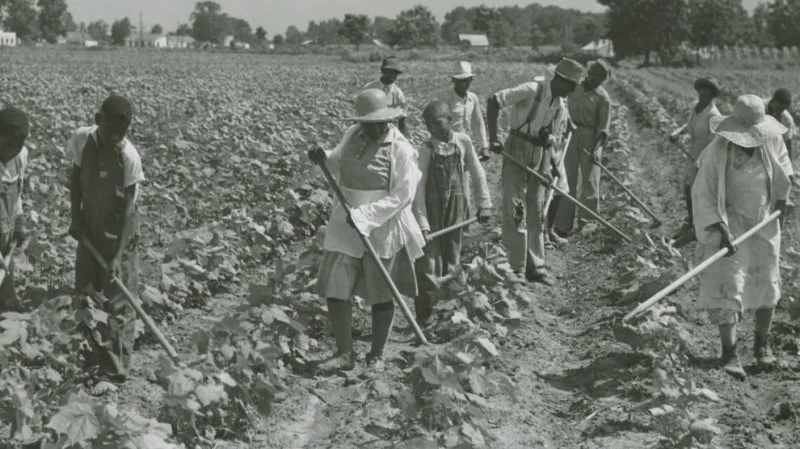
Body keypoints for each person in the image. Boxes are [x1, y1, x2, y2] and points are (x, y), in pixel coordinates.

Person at [309, 88, 425, 373]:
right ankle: (344, 353)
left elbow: (403, 195)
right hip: (346, 225)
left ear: (388, 120)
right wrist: (322, 156)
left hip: (382, 226)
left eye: (377, 123)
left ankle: (376, 354)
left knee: (381, 293)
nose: (372, 128)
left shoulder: (401, 149)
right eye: (366, 123)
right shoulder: (352, 134)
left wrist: (365, 216)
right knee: (337, 289)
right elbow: (336, 162)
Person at [692, 94, 793, 380]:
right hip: (730, 224)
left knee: (766, 283)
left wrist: (783, 200)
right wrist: (719, 227)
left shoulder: (771, 141)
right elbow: (703, 192)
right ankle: (729, 352)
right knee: (729, 284)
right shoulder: (717, 151)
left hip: (763, 222)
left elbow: (784, 168)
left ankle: (762, 346)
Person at [67, 95, 145, 382]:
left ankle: (114, 370)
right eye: (110, 131)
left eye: (121, 133)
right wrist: (76, 217)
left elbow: (127, 209)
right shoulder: (81, 139)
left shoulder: (129, 156)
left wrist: (116, 256)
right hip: (90, 228)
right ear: (98, 120)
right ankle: (89, 355)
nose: (115, 138)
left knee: (117, 302)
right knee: (86, 290)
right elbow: (75, 179)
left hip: (119, 234)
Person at [486, 58, 584, 286]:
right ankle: (516, 267)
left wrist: (547, 168)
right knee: (515, 208)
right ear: (560, 79)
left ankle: (536, 267)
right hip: (517, 148)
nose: (571, 91)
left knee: (537, 210)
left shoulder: (560, 107)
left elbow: (549, 140)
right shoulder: (531, 90)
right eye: (570, 85)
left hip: (540, 155)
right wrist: (493, 138)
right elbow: (494, 101)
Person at [412, 100, 492, 323]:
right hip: (432, 213)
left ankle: (449, 314)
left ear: (450, 120)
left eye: (437, 123)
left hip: (456, 209)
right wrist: (422, 224)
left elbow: (477, 172)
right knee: (429, 264)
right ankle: (425, 315)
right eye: (429, 124)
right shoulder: (426, 150)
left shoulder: (462, 141)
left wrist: (484, 204)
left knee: (453, 261)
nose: (433, 128)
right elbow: (418, 189)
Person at [551, 59, 612, 239]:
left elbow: (604, 128)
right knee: (566, 178)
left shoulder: (603, 97)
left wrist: (596, 149)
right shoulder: (574, 87)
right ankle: (562, 225)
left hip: (591, 138)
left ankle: (588, 223)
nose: (596, 82)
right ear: (589, 73)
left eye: (600, 80)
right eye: (594, 77)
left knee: (590, 180)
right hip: (569, 133)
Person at [669, 77, 722, 247]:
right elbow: (688, 125)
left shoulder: (714, 116)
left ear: (712, 96)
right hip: (693, 152)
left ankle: (696, 227)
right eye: (701, 94)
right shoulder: (696, 107)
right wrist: (678, 132)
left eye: (706, 96)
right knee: (687, 186)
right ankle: (690, 222)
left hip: (705, 155)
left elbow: (714, 144)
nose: (702, 98)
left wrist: (701, 161)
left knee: (697, 191)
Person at [0, 107, 29, 311]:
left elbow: (17, 193)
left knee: (6, 278)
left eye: (18, 145)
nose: (13, 150)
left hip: (6, 229)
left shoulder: (21, 156)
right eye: (8, 144)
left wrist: (19, 224)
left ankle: (7, 305)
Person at [364, 56, 408, 136]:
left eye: (395, 73)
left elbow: (402, 120)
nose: (393, 75)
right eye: (390, 72)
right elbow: (360, 112)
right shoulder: (369, 88)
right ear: (383, 71)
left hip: (390, 132)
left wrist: (404, 138)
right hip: (369, 130)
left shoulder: (398, 93)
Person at [764, 89, 798, 184]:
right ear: (773, 100)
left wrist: (789, 170)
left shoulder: (786, 119)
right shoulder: (758, 106)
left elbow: (788, 145)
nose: (780, 111)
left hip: (771, 146)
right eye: (779, 108)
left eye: (783, 109)